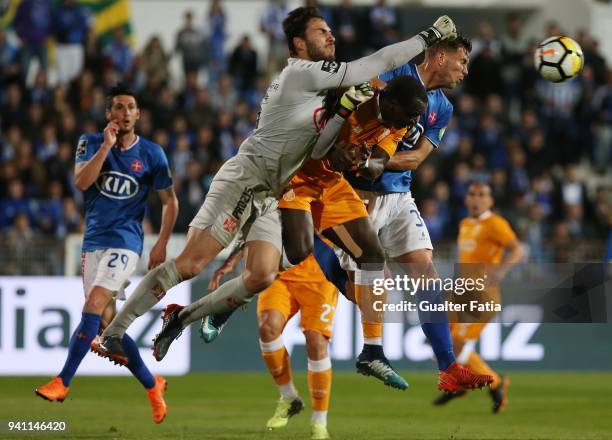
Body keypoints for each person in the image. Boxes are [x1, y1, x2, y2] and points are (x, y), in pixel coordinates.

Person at [92, 7, 456, 375]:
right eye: (320, 32)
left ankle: (181, 318)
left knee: (262, 275)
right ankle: (114, 333)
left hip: (275, 191)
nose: (331, 36)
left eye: (331, 31)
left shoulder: (329, 88)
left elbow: (321, 145)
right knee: (190, 264)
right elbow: (374, 64)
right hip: (247, 178)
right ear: (299, 43)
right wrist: (426, 37)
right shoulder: (300, 73)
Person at [313, 35, 495, 392]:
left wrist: (376, 161)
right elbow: (346, 96)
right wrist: (353, 155)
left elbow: (414, 158)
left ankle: (448, 368)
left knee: (426, 274)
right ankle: (316, 250)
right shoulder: (393, 71)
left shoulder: (442, 107)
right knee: (364, 285)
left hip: (397, 195)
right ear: (439, 57)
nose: (465, 71)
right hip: (355, 193)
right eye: (462, 61)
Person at [35, 84, 179, 424]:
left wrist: (160, 243)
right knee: (108, 330)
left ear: (138, 114)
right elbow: (83, 182)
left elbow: (170, 201)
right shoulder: (90, 142)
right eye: (118, 107)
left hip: (126, 242)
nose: (125, 112)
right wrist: (107, 148)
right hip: (92, 243)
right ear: (108, 114)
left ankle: (62, 381)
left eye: (131, 107)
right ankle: (152, 385)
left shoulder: (153, 155)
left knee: (92, 305)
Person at [205, 241, 337, 440]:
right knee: (267, 327)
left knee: (317, 343)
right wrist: (231, 262)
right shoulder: (275, 207)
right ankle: (289, 397)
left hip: (320, 274)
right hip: (279, 272)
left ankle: (319, 421)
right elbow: (255, 223)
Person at [432, 181, 524, 411]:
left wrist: (501, 270)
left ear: (490, 201)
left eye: (482, 194)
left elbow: (518, 250)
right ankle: (468, 382)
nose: (476, 199)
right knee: (440, 340)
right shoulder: (464, 224)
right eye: (472, 194)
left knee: (457, 344)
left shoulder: (496, 224)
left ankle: (492, 383)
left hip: (483, 296)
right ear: (466, 199)